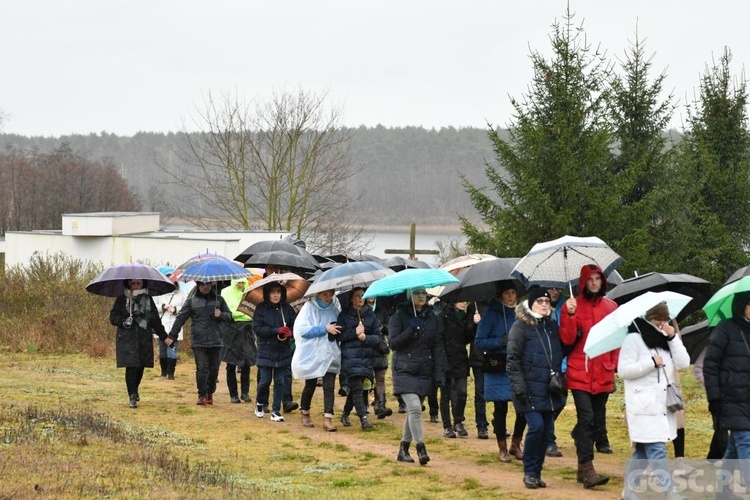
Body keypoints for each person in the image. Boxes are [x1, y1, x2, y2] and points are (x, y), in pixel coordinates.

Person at [619, 302, 690, 500]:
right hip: (642, 405)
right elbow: (623, 370)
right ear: (649, 320)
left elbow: (684, 363)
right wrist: (650, 363)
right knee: (657, 450)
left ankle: (629, 491)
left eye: (665, 321)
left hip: (661, 405)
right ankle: (669, 492)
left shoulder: (666, 340)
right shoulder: (634, 339)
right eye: (658, 321)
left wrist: (673, 337)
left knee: (643, 452)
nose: (662, 324)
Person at [559, 264, 617, 488]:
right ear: (583, 282)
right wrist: (571, 315)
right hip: (580, 371)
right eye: (590, 279)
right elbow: (566, 339)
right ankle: (588, 467)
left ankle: (581, 469)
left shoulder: (611, 307)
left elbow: (617, 339)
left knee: (594, 423)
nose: (594, 283)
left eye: (597, 279)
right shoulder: (571, 306)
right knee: (586, 418)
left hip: (602, 371)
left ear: (602, 281)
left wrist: (614, 364)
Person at [507, 287, 566, 489]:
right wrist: (519, 387)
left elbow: (563, 348)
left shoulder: (551, 326)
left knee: (545, 432)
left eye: (546, 301)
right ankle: (529, 472)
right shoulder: (520, 327)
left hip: (549, 388)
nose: (543, 304)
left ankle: (537, 472)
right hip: (528, 388)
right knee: (536, 427)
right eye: (539, 301)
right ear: (531, 303)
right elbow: (512, 360)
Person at [390, 288, 445, 466]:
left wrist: (439, 372)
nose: (421, 296)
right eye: (416, 293)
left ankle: (403, 449)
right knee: (414, 408)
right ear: (409, 296)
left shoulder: (432, 318)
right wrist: (410, 330)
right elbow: (393, 344)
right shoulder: (398, 316)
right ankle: (421, 448)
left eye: (423, 293)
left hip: (424, 370)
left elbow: (437, 346)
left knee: (413, 412)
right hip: (404, 369)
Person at [474, 281, 527, 462]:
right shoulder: (492, 315)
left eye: (513, 292)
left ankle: (516, 443)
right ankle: (502, 447)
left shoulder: (523, 315)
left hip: (518, 365)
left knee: (524, 406)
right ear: (501, 295)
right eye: (507, 293)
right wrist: (499, 341)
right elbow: (479, 341)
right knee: (500, 408)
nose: (511, 296)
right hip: (498, 366)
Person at [704, 290, 750, 496]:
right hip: (730, 398)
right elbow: (710, 365)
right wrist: (714, 397)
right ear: (742, 305)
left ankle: (723, 491)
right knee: (745, 441)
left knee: (733, 447)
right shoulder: (725, 329)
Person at [167, 280, 232, 405]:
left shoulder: (220, 300)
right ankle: (202, 395)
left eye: (208, 284)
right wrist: (172, 336)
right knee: (202, 368)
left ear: (212, 284)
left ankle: (210, 393)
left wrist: (221, 314)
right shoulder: (191, 301)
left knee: (214, 370)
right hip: (199, 341)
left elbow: (229, 316)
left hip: (216, 340)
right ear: (198, 285)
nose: (205, 286)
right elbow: (180, 318)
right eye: (202, 284)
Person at [110, 279, 169, 408]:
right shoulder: (122, 299)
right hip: (127, 338)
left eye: (138, 283)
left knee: (141, 366)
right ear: (128, 284)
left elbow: (155, 321)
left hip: (143, 337)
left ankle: (135, 389)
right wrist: (124, 321)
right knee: (130, 366)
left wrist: (165, 337)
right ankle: (132, 395)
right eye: (133, 283)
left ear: (142, 285)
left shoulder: (148, 299)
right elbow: (113, 317)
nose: (136, 286)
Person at [292, 289, 342, 431]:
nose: (328, 297)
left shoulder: (335, 308)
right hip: (313, 352)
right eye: (325, 294)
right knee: (311, 384)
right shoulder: (309, 308)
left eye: (330, 294)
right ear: (318, 294)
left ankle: (328, 418)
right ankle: (305, 412)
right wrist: (324, 328)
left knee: (329, 386)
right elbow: (302, 331)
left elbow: (338, 325)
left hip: (330, 351)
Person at [252, 281, 297, 422]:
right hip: (266, 349)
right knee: (265, 380)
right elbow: (258, 329)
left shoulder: (287, 308)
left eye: (278, 292)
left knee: (280, 381)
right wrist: (275, 330)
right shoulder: (261, 309)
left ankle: (276, 410)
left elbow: (295, 324)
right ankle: (260, 403)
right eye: (273, 292)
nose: (276, 295)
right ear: (267, 294)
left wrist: (290, 332)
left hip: (283, 350)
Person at [338, 287, 382, 430]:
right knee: (357, 387)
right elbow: (340, 336)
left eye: (363, 295)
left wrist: (366, 338)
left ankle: (345, 413)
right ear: (351, 298)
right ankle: (364, 418)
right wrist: (354, 332)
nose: (361, 298)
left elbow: (378, 337)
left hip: (365, 355)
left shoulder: (371, 315)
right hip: (350, 356)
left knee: (356, 389)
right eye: (357, 296)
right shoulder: (344, 314)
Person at [438, 301, 473, 438]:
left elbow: (467, 338)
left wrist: (472, 325)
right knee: (445, 394)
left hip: (460, 359)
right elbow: (439, 339)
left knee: (462, 393)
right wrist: (443, 361)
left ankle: (458, 420)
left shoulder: (465, 317)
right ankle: (447, 426)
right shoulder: (442, 317)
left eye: (465, 300)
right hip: (446, 358)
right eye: (460, 300)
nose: (464, 303)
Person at [220, 278, 257, 403]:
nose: (240, 285)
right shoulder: (225, 292)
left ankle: (245, 392)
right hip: (231, 331)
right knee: (231, 363)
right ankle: (233, 394)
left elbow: (251, 312)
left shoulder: (249, 293)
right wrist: (238, 314)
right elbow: (227, 312)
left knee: (246, 363)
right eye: (238, 282)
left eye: (242, 282)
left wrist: (239, 314)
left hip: (247, 330)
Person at [694, 345, 728, 464]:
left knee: (734, 427)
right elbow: (698, 369)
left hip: (738, 394)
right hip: (717, 395)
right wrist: (712, 386)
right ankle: (724, 457)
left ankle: (714, 457)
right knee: (721, 425)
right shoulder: (711, 347)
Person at [153, 267, 186, 380]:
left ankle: (171, 373)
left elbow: (186, 309)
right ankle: (163, 372)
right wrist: (163, 307)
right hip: (161, 325)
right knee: (162, 350)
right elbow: (153, 307)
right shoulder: (158, 293)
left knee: (172, 349)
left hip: (174, 326)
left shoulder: (181, 293)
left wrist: (175, 309)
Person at [545, 287, 567, 457]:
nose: (554, 292)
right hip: (545, 361)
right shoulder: (539, 305)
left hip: (563, 361)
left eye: (557, 289)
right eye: (551, 289)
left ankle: (544, 431)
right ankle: (548, 440)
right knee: (550, 401)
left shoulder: (567, 305)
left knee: (561, 400)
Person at [368, 296, 393, 419]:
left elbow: (390, 327)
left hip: (379, 348)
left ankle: (381, 405)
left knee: (380, 378)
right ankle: (363, 405)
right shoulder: (359, 310)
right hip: (365, 348)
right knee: (365, 380)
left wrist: (383, 328)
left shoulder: (382, 309)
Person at [467, 301, 490, 439]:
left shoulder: (497, 305)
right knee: (480, 392)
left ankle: (499, 424)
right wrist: (474, 324)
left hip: (495, 355)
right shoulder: (473, 306)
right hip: (478, 357)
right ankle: (481, 425)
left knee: (500, 393)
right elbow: (467, 333)